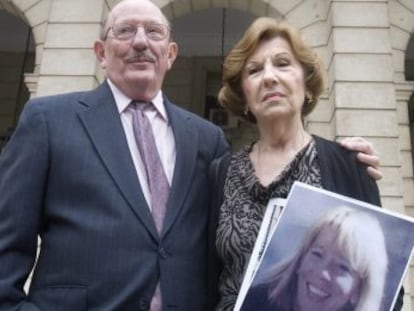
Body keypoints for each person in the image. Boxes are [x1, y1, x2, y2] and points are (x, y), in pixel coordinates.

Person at [0, 1, 382, 310]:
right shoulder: (48, 120)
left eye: (153, 32)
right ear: (101, 52)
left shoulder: (206, 140)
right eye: (124, 31)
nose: (139, 42)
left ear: (170, 54)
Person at [213, 17, 404, 310]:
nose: (269, 77)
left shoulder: (348, 164)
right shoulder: (221, 173)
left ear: (307, 83)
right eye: (254, 70)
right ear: (245, 98)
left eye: (282, 64)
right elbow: (206, 276)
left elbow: (388, 291)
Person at [241, 206, 388, 311]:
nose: (322, 272)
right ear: (300, 260)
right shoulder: (254, 301)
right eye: (317, 254)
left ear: (359, 290)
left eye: (342, 267)